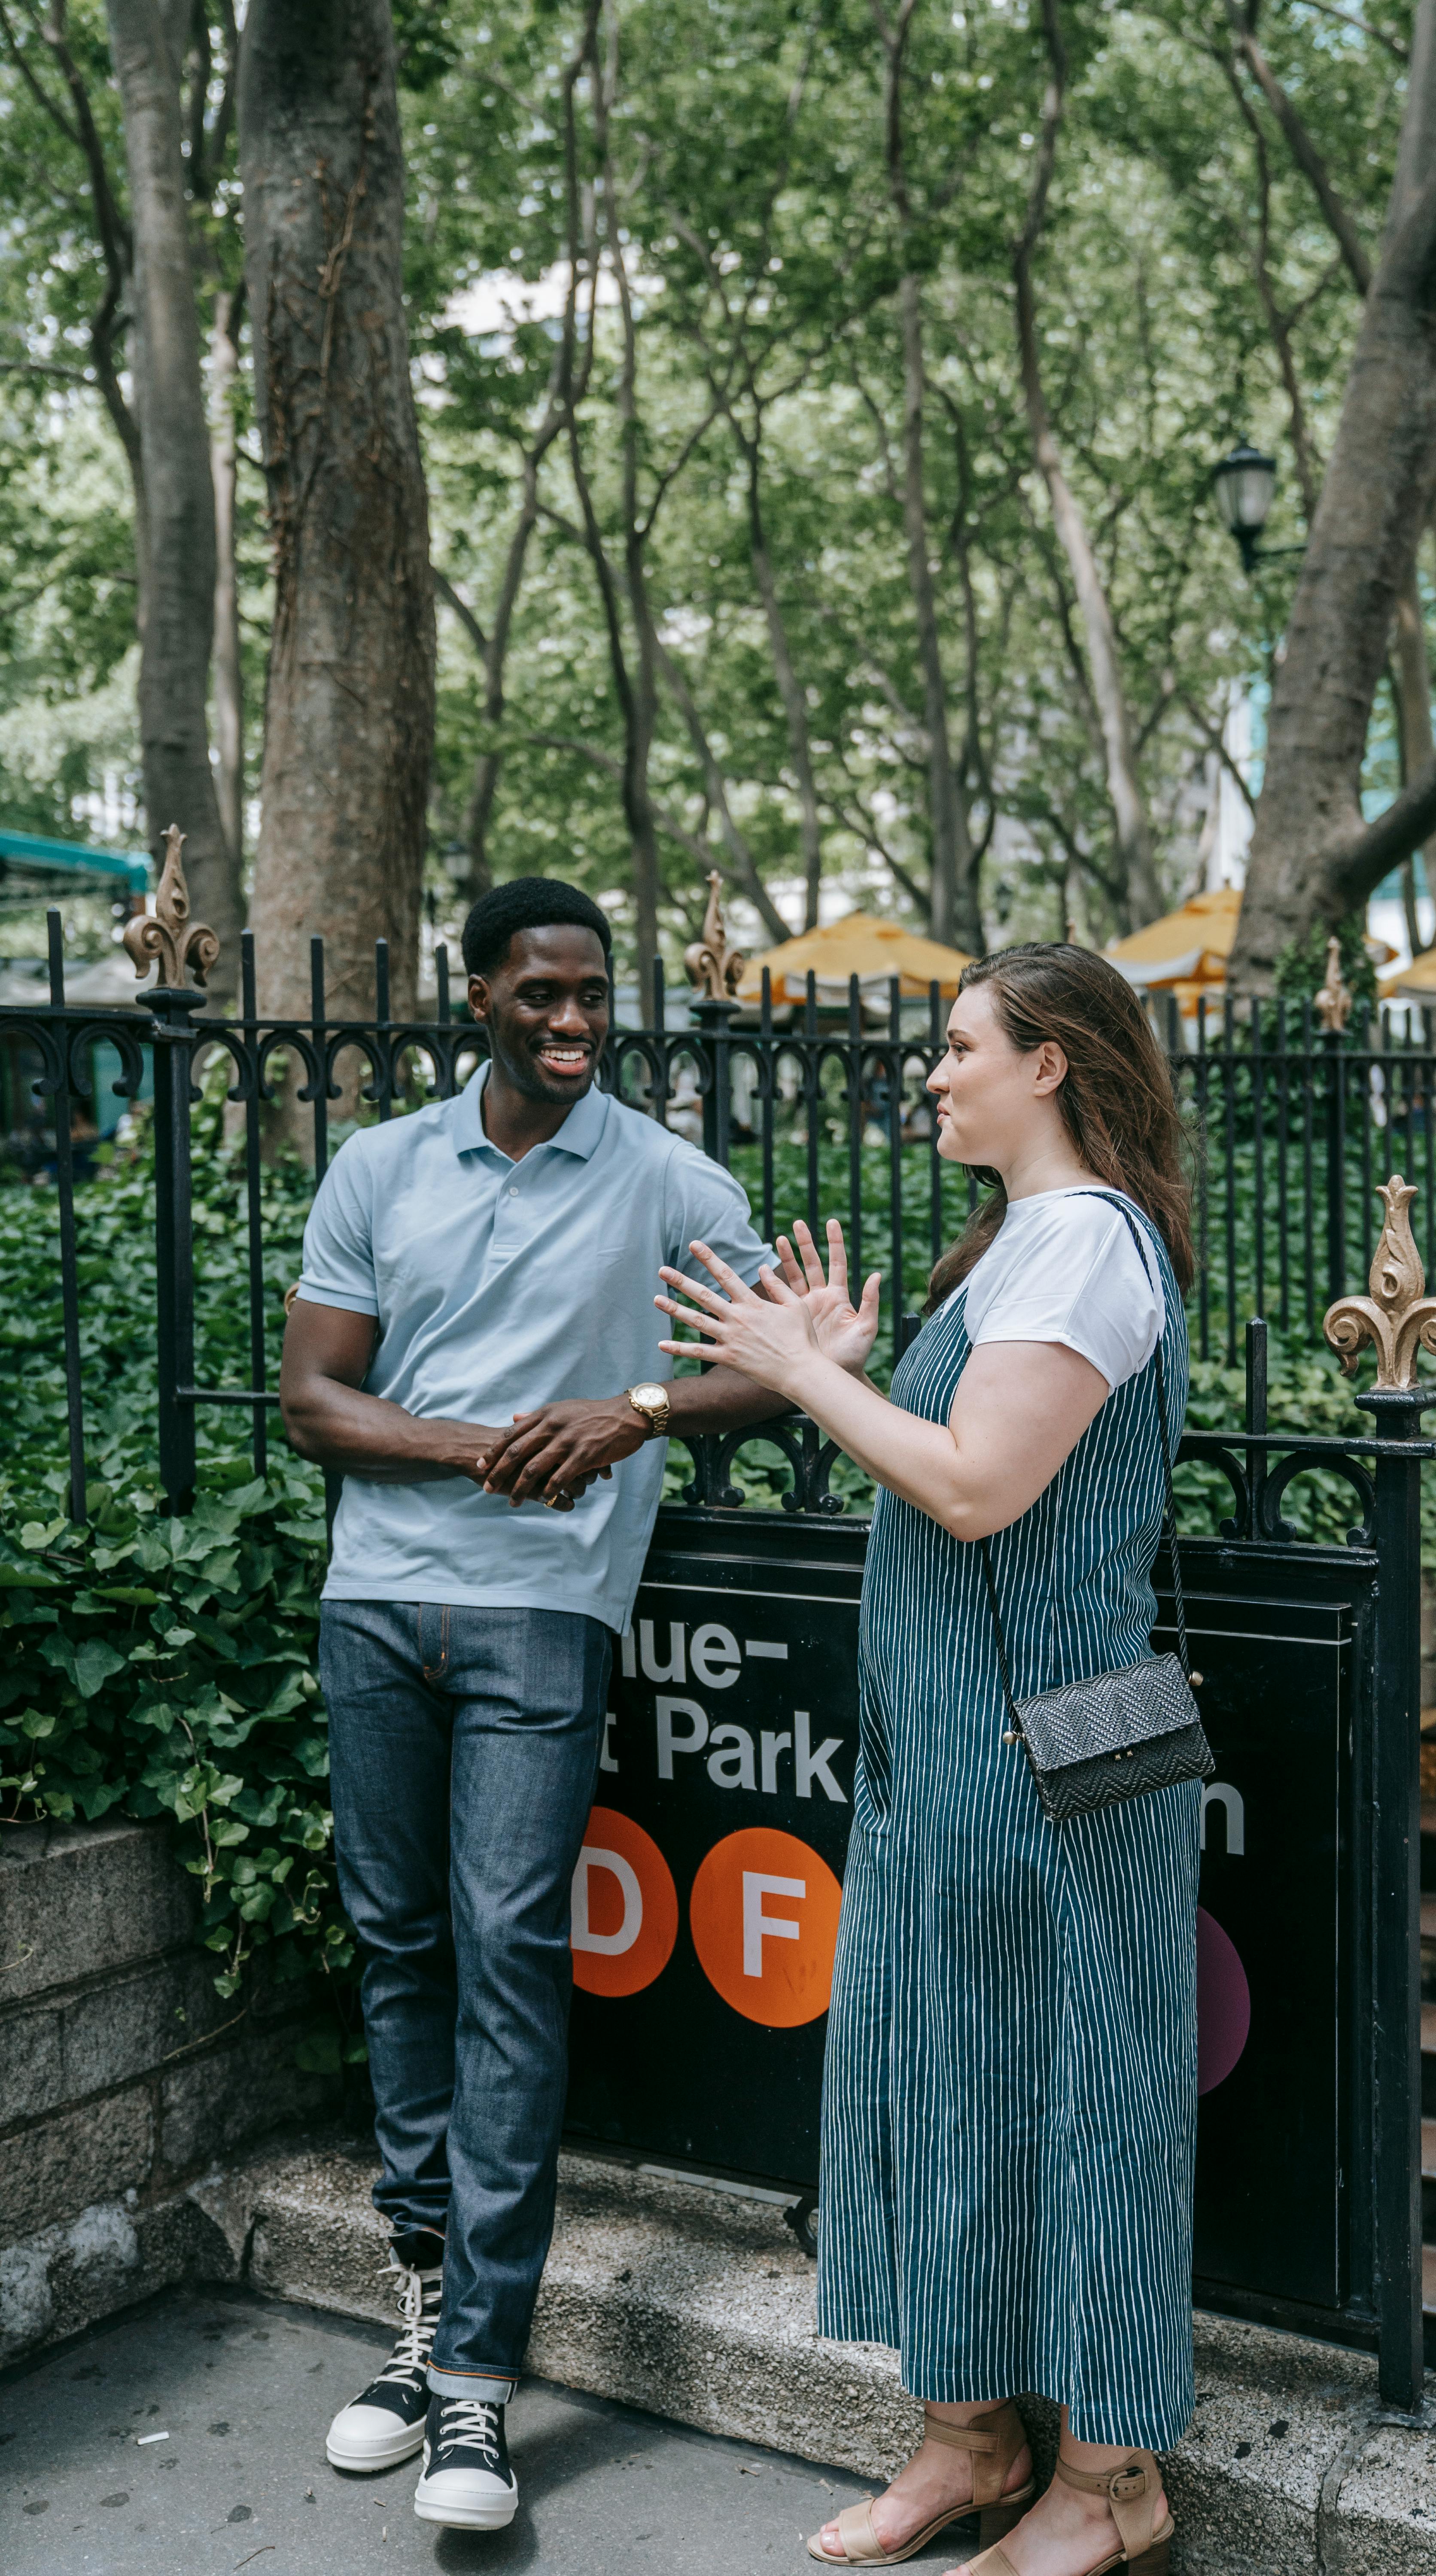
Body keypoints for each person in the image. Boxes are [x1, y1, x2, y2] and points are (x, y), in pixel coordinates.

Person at [654, 943, 1198, 2576]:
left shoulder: (1089, 1244)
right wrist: (837, 1362)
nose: (935, 1073)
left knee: (1089, 2103)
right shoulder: (1021, 1244)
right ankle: (971, 2438)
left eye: (961, 1047)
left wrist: (810, 1375)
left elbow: (975, 1488)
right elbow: (955, 1461)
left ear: (1052, 1065)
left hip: (1052, 1762)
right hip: (957, 1757)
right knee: (952, 2093)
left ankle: (1110, 2485)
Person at [279, 878, 791, 2533]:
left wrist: (634, 1406)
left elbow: (788, 1361)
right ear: (478, 991)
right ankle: (420, 2322)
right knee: (401, 1943)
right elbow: (316, 1398)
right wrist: (482, 1444)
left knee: (507, 1953)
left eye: (594, 998)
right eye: (542, 995)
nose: (573, 1024)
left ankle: (482, 2383)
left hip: (545, 1622)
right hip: (377, 1608)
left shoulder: (663, 1176)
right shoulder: (382, 1169)